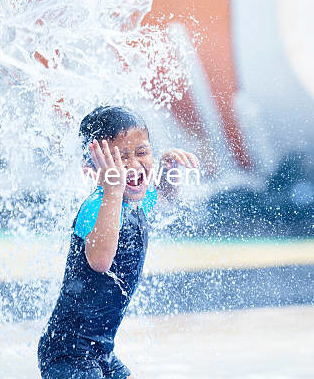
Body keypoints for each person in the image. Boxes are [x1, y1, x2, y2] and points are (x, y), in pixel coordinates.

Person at [38, 105, 199, 379]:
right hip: (68, 352)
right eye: (119, 158)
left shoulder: (133, 201)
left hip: (100, 350)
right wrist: (112, 188)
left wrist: (168, 169)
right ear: (92, 169)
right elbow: (100, 262)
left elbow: (166, 198)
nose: (134, 165)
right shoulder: (96, 206)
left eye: (142, 152)